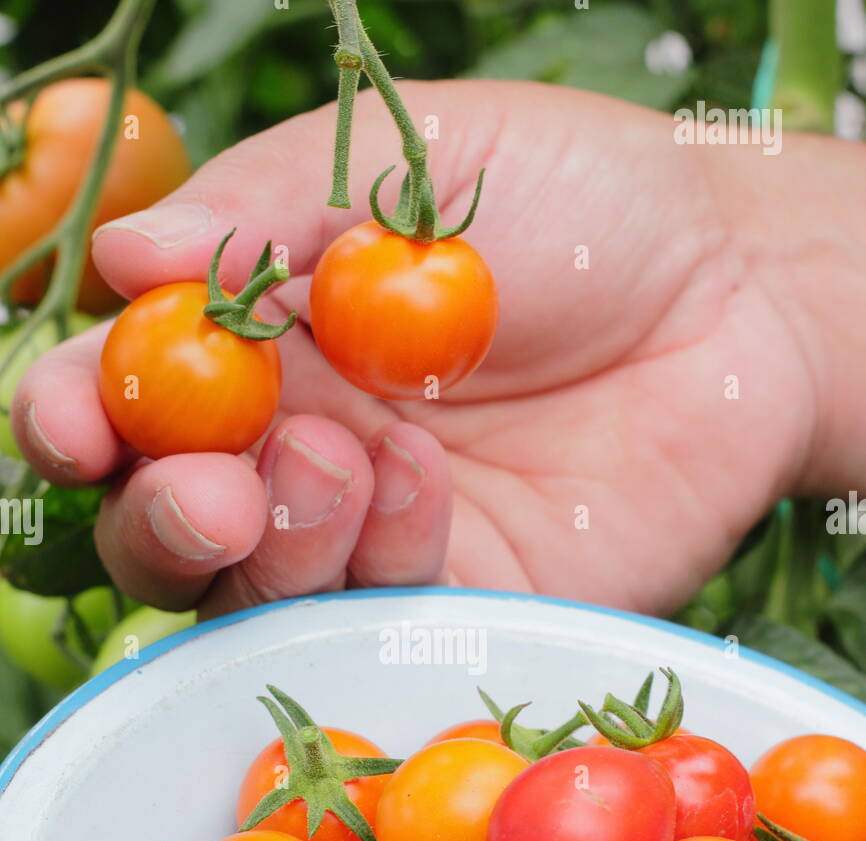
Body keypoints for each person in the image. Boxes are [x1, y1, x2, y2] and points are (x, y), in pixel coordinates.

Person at [11, 81, 866, 619]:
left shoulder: (356, 286)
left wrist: (743, 273)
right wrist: (749, 272)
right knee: (196, 502)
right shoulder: (284, 320)